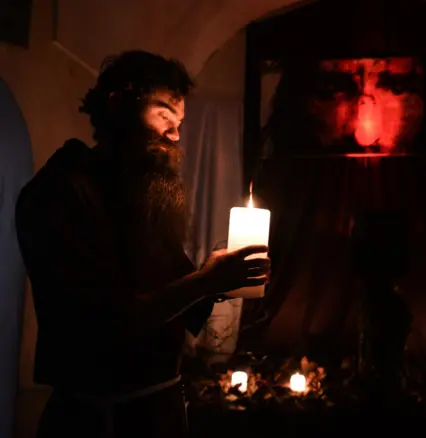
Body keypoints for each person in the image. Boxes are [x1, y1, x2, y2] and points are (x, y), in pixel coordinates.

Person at [14, 50, 270, 438]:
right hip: (99, 422)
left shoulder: (140, 194)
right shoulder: (62, 191)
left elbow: (172, 292)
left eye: (179, 121)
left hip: (156, 412)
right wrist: (205, 282)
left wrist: (223, 275)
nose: (176, 133)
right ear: (118, 104)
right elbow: (102, 323)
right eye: (164, 114)